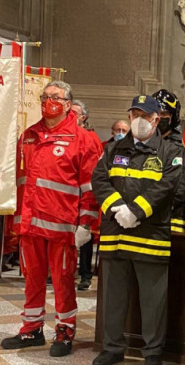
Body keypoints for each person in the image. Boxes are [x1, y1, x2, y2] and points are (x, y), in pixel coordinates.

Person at [1, 80, 101, 358]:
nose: (49, 101)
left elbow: (91, 187)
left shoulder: (83, 139)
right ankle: (31, 329)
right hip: (30, 224)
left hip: (62, 225)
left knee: (62, 280)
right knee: (32, 278)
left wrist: (86, 223)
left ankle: (65, 330)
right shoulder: (30, 135)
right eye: (45, 96)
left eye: (55, 97)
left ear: (68, 103)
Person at [92, 95, 183, 365]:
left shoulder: (171, 152)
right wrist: (118, 207)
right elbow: (99, 179)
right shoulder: (112, 149)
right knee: (113, 298)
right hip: (116, 235)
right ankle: (112, 347)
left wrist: (136, 211)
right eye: (134, 115)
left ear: (157, 119)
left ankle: (153, 352)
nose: (139, 121)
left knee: (153, 302)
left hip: (150, 237)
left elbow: (167, 186)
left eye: (145, 116)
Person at [151, 89, 185, 235]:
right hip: (142, 213)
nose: (160, 118)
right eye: (157, 113)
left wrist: (155, 205)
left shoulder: (184, 145)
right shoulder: (144, 142)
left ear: (173, 116)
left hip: (172, 217)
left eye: (165, 114)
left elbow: (182, 186)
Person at [71, 99, 103, 291]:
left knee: (85, 238)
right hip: (67, 197)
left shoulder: (91, 138)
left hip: (85, 195)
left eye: (74, 113)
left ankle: (85, 274)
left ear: (83, 117)